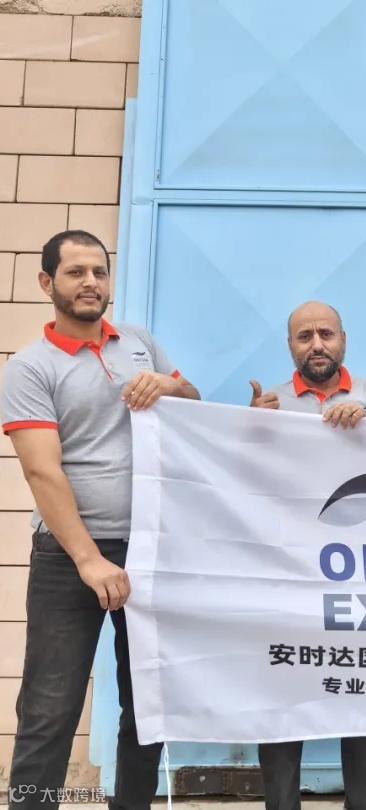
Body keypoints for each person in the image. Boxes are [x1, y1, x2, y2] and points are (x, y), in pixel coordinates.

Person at [0, 230, 200, 810]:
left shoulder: (138, 342)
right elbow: (42, 472)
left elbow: (192, 406)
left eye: (99, 272)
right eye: (75, 272)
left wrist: (171, 384)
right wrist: (89, 560)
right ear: (47, 282)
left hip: (149, 550)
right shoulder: (29, 368)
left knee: (148, 704)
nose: (90, 282)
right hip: (69, 558)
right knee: (49, 707)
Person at [249, 299, 366, 810]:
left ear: (343, 340)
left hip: (360, 575)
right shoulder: (270, 403)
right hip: (290, 574)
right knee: (283, 696)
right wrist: (248, 431)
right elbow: (245, 481)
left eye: (326, 334)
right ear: (291, 345)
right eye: (305, 336)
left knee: (360, 694)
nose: (316, 344)